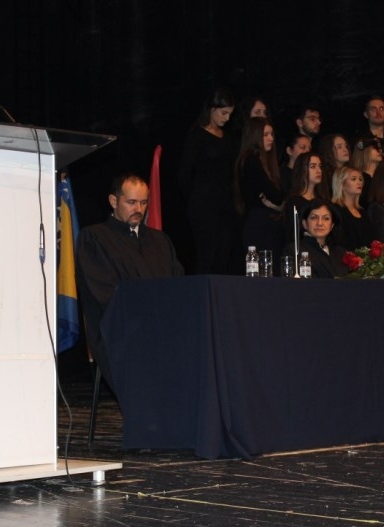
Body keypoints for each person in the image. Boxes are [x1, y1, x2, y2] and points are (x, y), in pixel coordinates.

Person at [77, 173, 184, 388]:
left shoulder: (160, 241)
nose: (139, 209)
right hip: (121, 331)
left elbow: (178, 287)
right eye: (132, 202)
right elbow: (108, 296)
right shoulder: (94, 238)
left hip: (163, 329)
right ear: (113, 201)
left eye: (144, 203)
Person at [178, 88, 237, 274]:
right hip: (203, 205)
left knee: (223, 254)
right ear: (212, 109)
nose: (227, 118)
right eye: (224, 113)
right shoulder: (197, 136)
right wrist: (194, 200)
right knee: (207, 254)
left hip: (225, 205)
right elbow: (184, 174)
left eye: (230, 114)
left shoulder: (227, 138)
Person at [236, 117, 285, 256]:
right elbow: (276, 196)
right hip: (259, 222)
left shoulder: (264, 161)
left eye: (272, 134)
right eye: (265, 134)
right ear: (254, 136)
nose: (271, 138)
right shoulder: (251, 160)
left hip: (265, 221)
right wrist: (279, 203)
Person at [284, 202, 348, 278]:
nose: (320, 223)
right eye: (314, 218)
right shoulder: (295, 250)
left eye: (326, 218)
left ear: (332, 225)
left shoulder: (341, 253)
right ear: (304, 224)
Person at [282, 151, 328, 243]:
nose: (319, 170)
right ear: (302, 170)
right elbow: (292, 235)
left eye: (320, 166)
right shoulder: (294, 202)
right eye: (313, 166)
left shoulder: (323, 200)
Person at [330, 165, 375, 250]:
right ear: (342, 184)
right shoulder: (335, 210)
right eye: (353, 179)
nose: (359, 182)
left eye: (360, 179)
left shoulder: (363, 211)